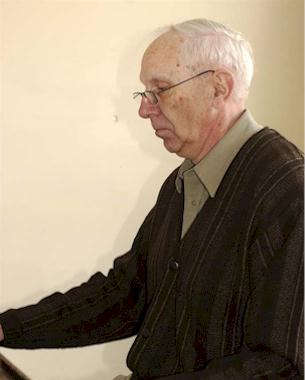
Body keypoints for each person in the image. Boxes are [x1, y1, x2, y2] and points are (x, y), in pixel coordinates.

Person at [0, 18, 303, 380]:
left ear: (219, 88)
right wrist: (7, 329)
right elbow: (127, 296)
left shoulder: (289, 193)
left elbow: (279, 364)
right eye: (144, 93)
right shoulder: (183, 180)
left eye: (160, 89)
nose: (145, 109)